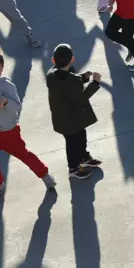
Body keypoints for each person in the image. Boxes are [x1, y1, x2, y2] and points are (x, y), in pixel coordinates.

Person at [0, 49, 55, 203]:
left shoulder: (7, 86)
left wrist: (6, 102)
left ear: (2, 68)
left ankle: (44, 175)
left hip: (9, 132)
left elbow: (17, 106)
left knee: (24, 155)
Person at [46, 44, 104, 180]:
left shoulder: (51, 75)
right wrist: (95, 83)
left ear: (53, 60)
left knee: (80, 136)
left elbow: (67, 83)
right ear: (72, 60)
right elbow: (81, 97)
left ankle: (83, 157)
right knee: (73, 143)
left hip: (63, 118)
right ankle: (73, 168)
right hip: (71, 119)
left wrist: (82, 78)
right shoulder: (71, 80)